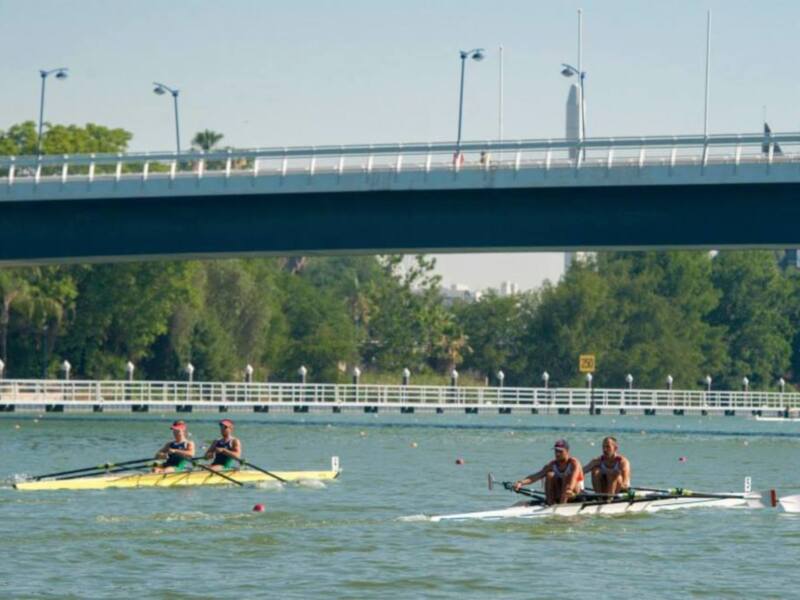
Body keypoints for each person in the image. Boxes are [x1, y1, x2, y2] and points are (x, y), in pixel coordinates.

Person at [513, 439, 584, 505]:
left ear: (567, 451)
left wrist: (570, 489)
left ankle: (562, 505)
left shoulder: (574, 463)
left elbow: (574, 477)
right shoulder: (552, 465)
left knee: (566, 476)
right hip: (561, 492)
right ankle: (550, 503)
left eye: (560, 451)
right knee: (549, 475)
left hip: (574, 493)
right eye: (556, 451)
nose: (557, 454)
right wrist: (521, 483)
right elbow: (536, 476)